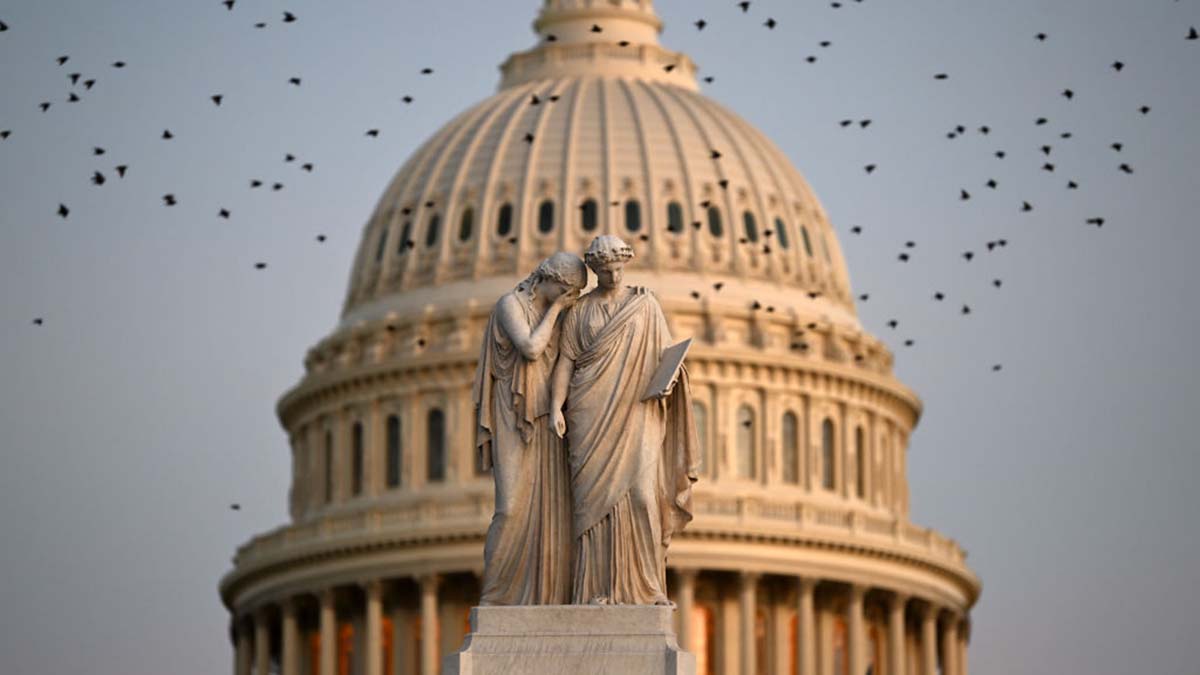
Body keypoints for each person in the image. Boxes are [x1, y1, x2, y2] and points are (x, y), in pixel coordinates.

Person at [549, 235, 700, 605]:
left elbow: (668, 358)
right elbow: (565, 362)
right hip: (589, 413)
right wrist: (555, 407)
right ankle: (595, 590)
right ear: (596, 271)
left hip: (637, 412)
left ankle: (646, 589)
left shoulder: (645, 306)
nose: (613, 276)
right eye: (605, 270)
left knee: (642, 498)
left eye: (618, 268)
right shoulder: (580, 312)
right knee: (593, 509)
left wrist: (668, 383)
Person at [472, 252, 587, 605]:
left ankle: (547, 595)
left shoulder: (564, 314)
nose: (571, 300)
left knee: (551, 513)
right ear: (549, 280)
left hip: (548, 419)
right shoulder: (511, 304)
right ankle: (495, 595)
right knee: (509, 508)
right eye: (567, 291)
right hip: (513, 413)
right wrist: (555, 308)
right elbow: (532, 349)